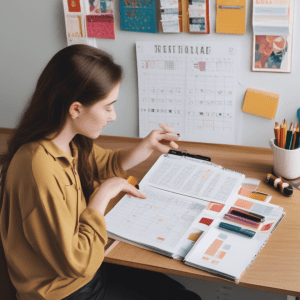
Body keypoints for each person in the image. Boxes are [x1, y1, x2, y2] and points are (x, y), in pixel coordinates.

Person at [0, 44, 202, 300]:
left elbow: (106, 163)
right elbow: (77, 262)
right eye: (107, 107)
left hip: (88, 269)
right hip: (67, 290)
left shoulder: (68, 141)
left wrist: (148, 144)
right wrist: (103, 194)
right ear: (75, 109)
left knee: (177, 292)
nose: (113, 116)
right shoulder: (39, 169)